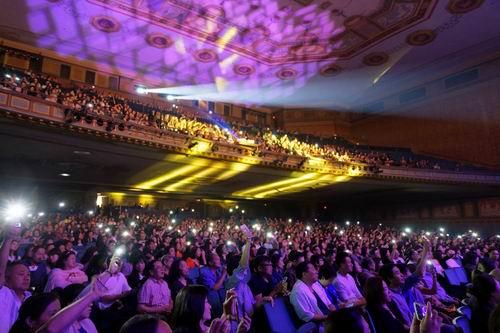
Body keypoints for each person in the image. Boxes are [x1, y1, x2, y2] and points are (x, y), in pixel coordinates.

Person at [0, 225, 31, 333]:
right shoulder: (3, 293)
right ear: (7, 278)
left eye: (28, 275)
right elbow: (1, 269)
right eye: (21, 274)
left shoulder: (31, 298)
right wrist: (9, 238)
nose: (26, 277)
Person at [289, 262, 336, 326]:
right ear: (304, 274)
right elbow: (308, 316)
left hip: (329, 318)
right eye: (313, 269)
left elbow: (328, 302)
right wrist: (328, 317)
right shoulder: (297, 292)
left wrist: (333, 310)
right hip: (317, 325)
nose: (317, 271)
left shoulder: (316, 284)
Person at [199, 253, 227, 317]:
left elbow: (226, 283)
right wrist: (224, 274)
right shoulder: (204, 272)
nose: (219, 261)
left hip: (221, 299)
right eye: (217, 259)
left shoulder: (219, 270)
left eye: (219, 259)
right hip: (212, 301)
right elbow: (215, 288)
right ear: (210, 263)